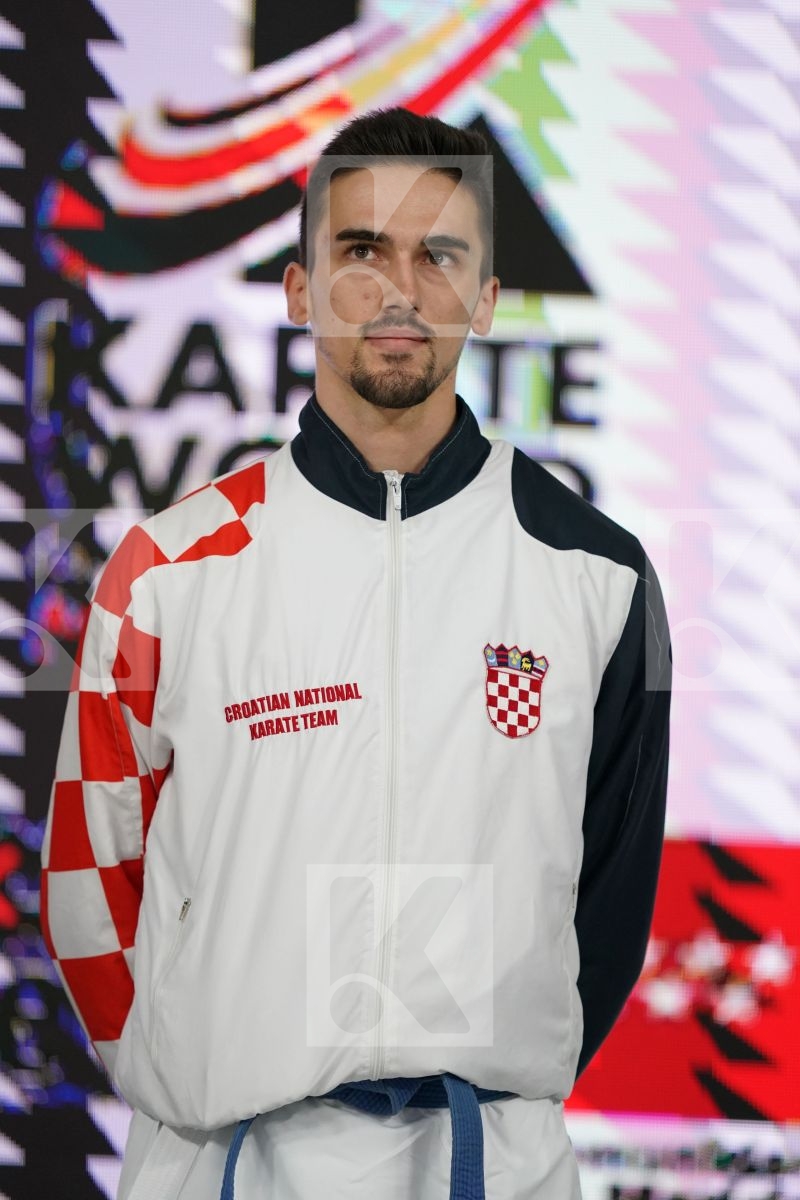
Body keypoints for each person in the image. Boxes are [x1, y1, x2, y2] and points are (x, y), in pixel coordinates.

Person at [41, 108, 671, 1200]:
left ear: (482, 298)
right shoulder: (169, 571)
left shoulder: (598, 576)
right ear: (298, 291)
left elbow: (608, 904)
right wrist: (187, 1063)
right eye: (360, 249)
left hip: (493, 1165)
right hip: (223, 1164)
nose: (397, 287)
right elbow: (91, 876)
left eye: (437, 254)